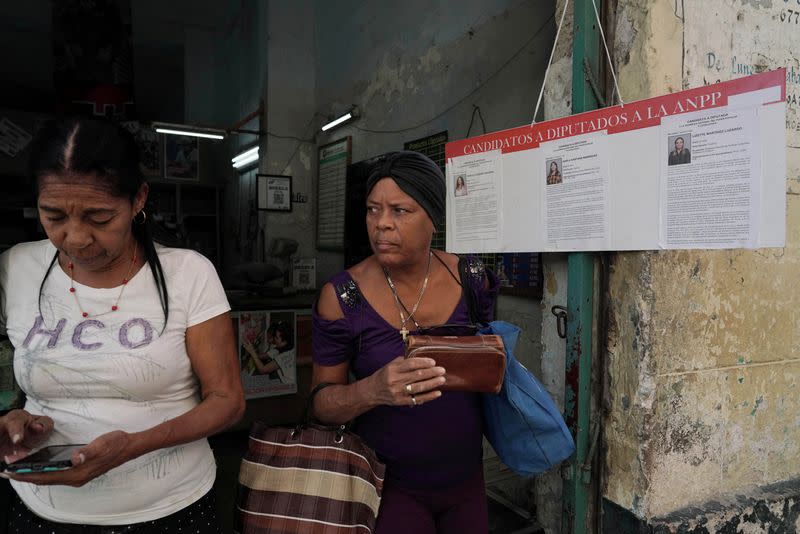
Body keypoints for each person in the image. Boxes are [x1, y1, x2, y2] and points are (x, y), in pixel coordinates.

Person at [0, 117, 245, 533]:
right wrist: (11, 418)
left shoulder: (188, 274)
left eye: (99, 217)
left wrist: (132, 446)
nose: (75, 238)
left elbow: (228, 401)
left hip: (171, 510)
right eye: (53, 215)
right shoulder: (17, 267)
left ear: (138, 200)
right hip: (44, 511)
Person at [312, 151, 499, 533]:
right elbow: (320, 405)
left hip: (468, 483)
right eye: (372, 210)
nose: (381, 225)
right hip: (387, 486)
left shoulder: (472, 276)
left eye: (400, 211)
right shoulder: (344, 296)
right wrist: (372, 390)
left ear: (433, 217)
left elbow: (486, 358)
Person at [242, 319, 296, 384]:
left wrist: (252, 352)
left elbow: (263, 370)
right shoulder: (291, 349)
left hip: (287, 386)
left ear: (284, 341)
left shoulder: (281, 356)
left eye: (276, 337)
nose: (274, 339)